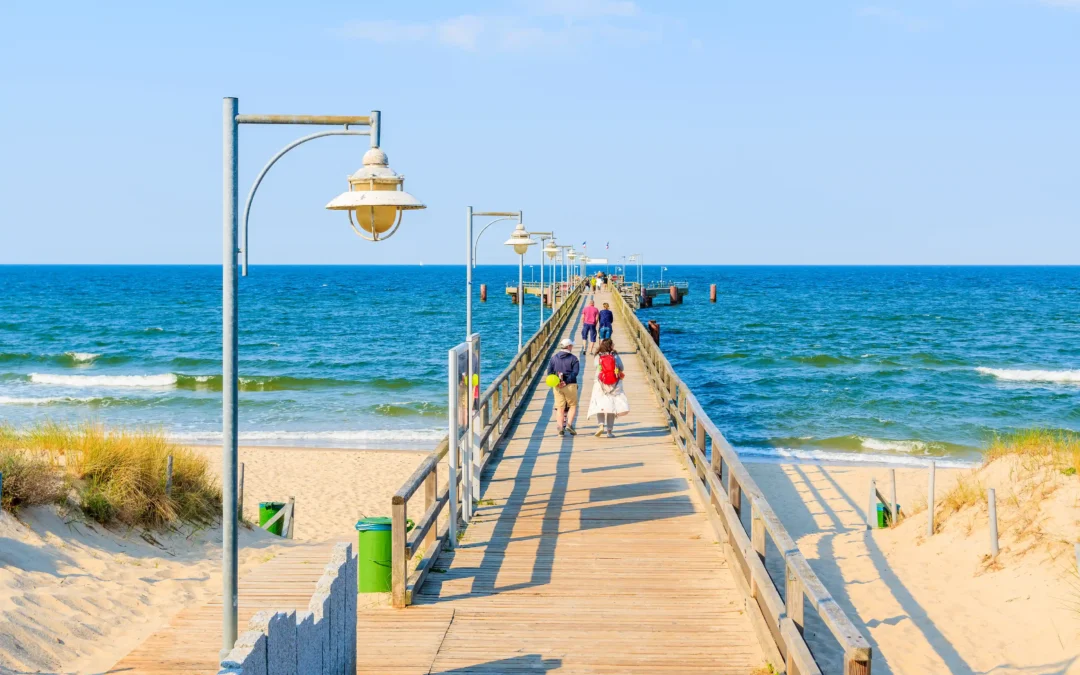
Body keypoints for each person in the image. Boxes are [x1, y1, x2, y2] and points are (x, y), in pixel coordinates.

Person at [587, 339, 629, 438]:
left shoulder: (598, 355)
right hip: (614, 383)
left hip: (600, 383)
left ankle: (601, 425)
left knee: (600, 404)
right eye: (613, 344)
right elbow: (622, 367)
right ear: (610, 346)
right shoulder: (615, 355)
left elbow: (596, 366)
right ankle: (609, 432)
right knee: (611, 406)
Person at [547, 337, 580, 436]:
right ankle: (569, 424)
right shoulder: (574, 358)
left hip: (558, 386)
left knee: (560, 408)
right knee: (572, 406)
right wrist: (566, 381)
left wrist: (557, 383)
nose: (572, 347)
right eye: (571, 346)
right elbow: (575, 372)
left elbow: (549, 373)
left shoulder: (554, 358)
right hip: (570, 385)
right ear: (568, 346)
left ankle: (560, 428)